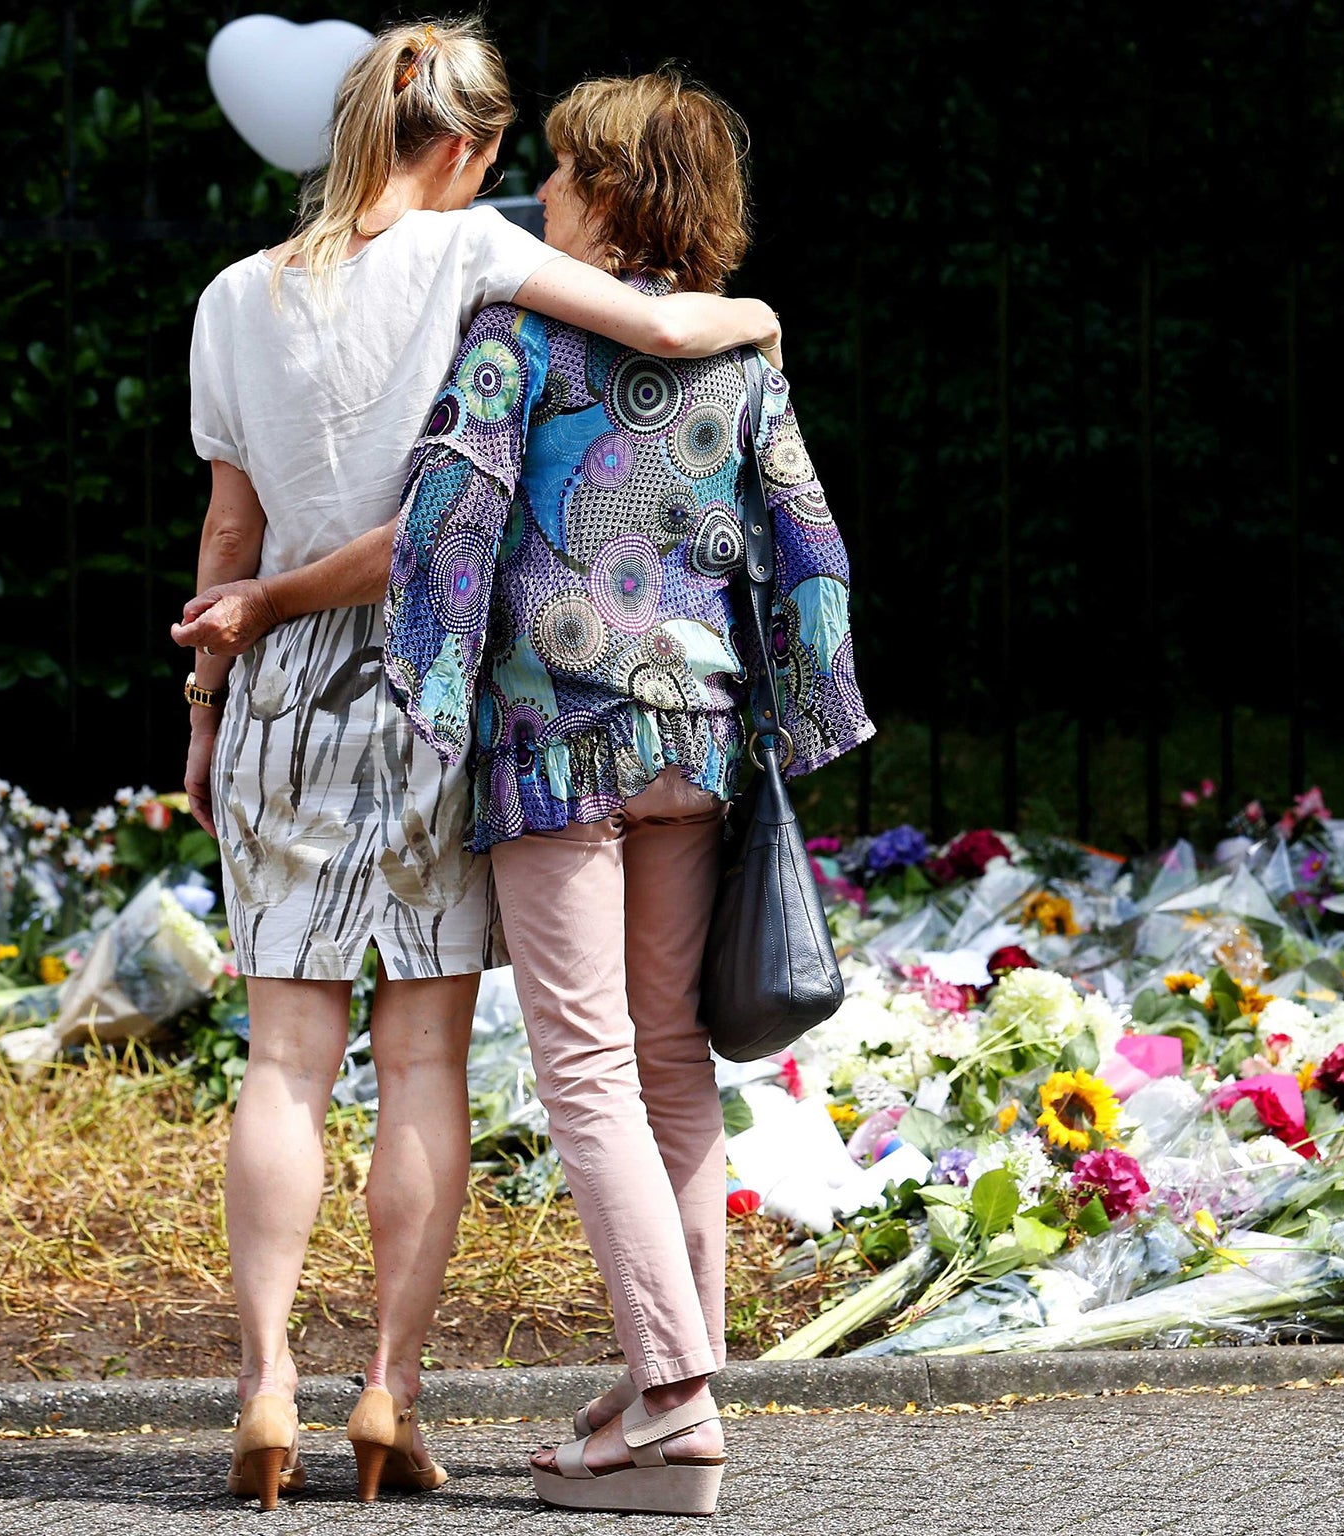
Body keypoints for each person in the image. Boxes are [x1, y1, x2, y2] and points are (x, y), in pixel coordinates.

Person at [177, 69, 871, 1515]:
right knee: (675, 1069)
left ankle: (676, 1404)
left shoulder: (522, 331)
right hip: (702, 739)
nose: (536, 194)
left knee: (592, 1072)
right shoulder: (746, 359)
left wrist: (289, 625)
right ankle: (658, 1387)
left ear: (608, 199)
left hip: (563, 744)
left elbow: (443, 528)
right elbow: (806, 535)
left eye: (559, 172)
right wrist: (804, 708)